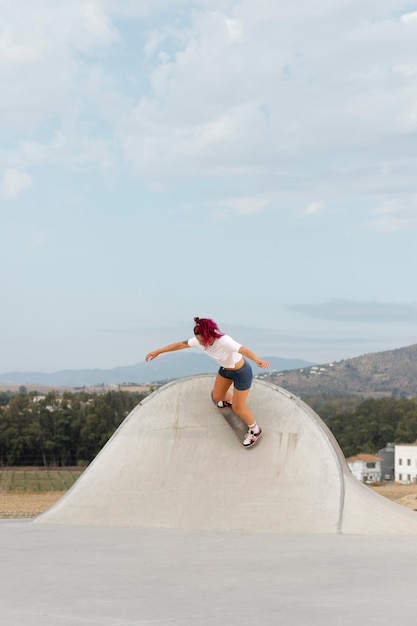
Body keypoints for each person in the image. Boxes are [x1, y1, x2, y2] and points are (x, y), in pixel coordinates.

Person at [145, 317, 270, 447]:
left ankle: (255, 430)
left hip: (241, 372)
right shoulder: (200, 340)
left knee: (238, 407)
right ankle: (236, 401)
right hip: (225, 370)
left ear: (210, 334)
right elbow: (180, 345)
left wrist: (257, 360)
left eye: (203, 339)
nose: (202, 343)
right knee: (217, 397)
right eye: (199, 340)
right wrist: (158, 351)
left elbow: (244, 350)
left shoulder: (224, 340)